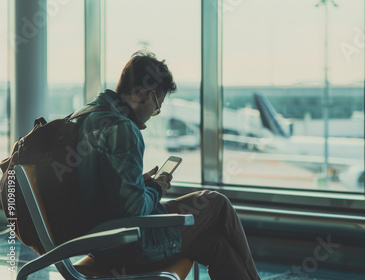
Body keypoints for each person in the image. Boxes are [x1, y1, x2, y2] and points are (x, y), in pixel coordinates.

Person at [73, 50, 261, 280]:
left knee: (216, 246)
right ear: (148, 95)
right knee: (217, 203)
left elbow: (97, 184)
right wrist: (157, 188)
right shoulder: (123, 128)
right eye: (156, 107)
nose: (154, 114)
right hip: (125, 245)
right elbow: (135, 212)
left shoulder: (84, 115)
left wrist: (137, 183)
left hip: (99, 241)